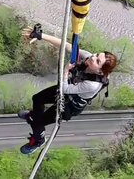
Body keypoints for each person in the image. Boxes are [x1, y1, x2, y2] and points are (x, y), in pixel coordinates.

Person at [18, 25, 117, 154]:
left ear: (99, 71)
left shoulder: (92, 85)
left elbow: (64, 88)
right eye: (97, 55)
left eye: (97, 61)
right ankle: (34, 115)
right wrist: (41, 36)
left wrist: (65, 70)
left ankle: (38, 140)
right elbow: (67, 46)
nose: (93, 57)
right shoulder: (88, 58)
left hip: (69, 105)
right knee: (37, 98)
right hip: (68, 89)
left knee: (37, 123)